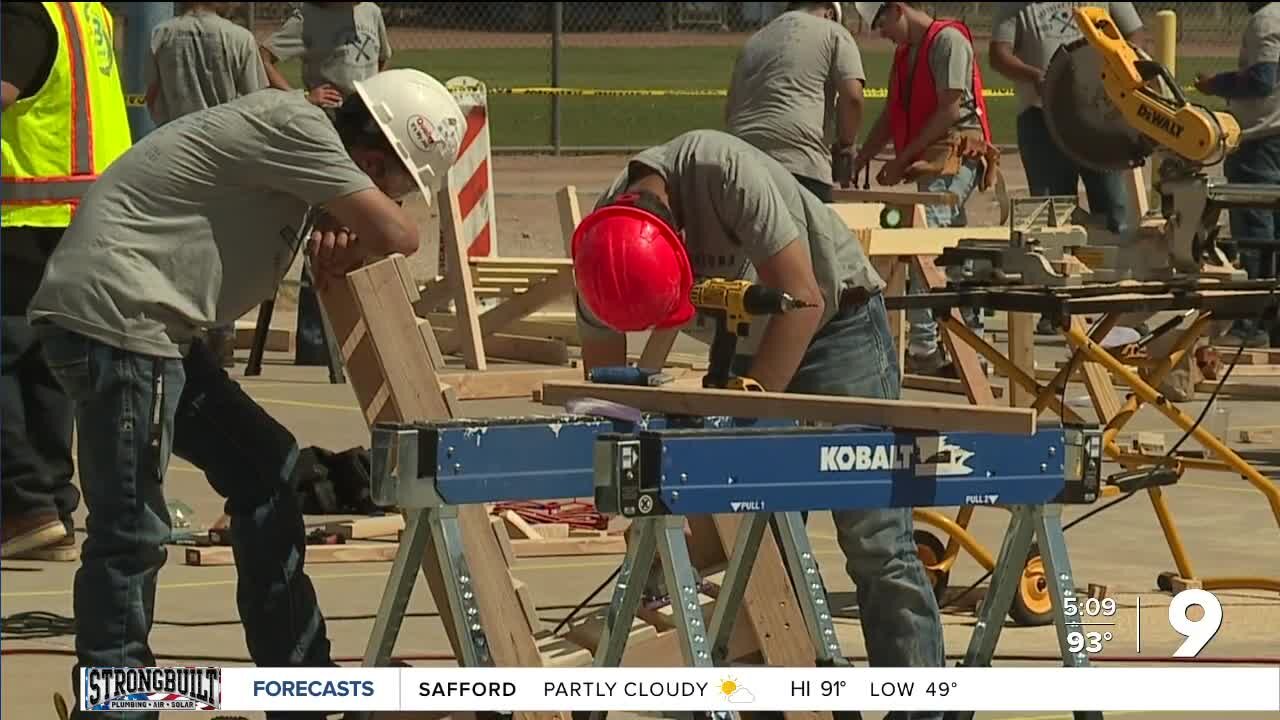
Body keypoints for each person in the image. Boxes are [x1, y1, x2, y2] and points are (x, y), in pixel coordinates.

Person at [27, 69, 465, 719]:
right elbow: (400, 236)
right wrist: (361, 221)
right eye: (395, 185)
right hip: (122, 325)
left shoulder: (307, 137)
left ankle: (298, 680)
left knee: (268, 466)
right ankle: (115, 699)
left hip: (153, 332)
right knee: (131, 526)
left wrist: (341, 225)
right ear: (372, 159)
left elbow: (362, 228)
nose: (393, 198)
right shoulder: (302, 131)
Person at [571, 129, 945, 708]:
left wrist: (747, 425)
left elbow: (806, 297)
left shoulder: (724, 171)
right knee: (763, 535)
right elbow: (608, 390)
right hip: (747, 341)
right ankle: (812, 685)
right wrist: (625, 465)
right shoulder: (608, 243)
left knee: (874, 536)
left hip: (832, 323)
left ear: (680, 235)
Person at [1, 1, 132, 561]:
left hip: (25, 211)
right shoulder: (85, 12)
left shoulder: (22, 13)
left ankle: (23, 503)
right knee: (44, 365)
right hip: (78, 213)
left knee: (13, 358)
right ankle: (49, 503)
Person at [851, 1, 996, 377]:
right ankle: (969, 347)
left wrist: (900, 161)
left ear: (898, 9)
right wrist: (863, 156)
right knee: (952, 250)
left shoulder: (948, 41)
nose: (881, 34)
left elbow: (950, 109)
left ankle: (924, 346)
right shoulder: (907, 53)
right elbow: (891, 113)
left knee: (924, 241)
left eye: (881, 23)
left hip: (957, 152)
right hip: (932, 155)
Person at [990, 2, 1144, 334]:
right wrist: (1035, 77)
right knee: (1049, 216)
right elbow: (998, 54)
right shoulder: (1014, 6)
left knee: (1113, 211)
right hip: (1041, 116)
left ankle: (1115, 305)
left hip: (1100, 114)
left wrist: (1120, 71)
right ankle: (1056, 308)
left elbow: (1134, 36)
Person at [260, 1, 394, 367]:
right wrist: (302, 98)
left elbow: (381, 59)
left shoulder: (370, 13)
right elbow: (262, 57)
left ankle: (367, 337)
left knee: (366, 226)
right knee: (327, 228)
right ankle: (316, 342)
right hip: (329, 127)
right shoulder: (308, 17)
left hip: (367, 125)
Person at [147, 0, 270, 365]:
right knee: (223, 246)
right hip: (228, 155)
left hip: (178, 149)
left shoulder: (161, 36)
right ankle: (222, 331)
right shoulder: (239, 39)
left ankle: (185, 330)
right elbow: (256, 102)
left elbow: (153, 97)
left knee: (180, 244)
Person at [1197, 1, 1280, 348]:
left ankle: (1252, 324)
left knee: (1255, 233)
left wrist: (1218, 84)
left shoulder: (1266, 20)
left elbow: (1262, 80)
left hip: (1260, 138)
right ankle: (1274, 325)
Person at [725, 1, 866, 203]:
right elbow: (852, 97)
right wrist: (846, 146)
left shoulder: (753, 41)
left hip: (738, 166)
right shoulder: (834, 32)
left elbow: (730, 108)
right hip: (801, 165)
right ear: (829, 14)